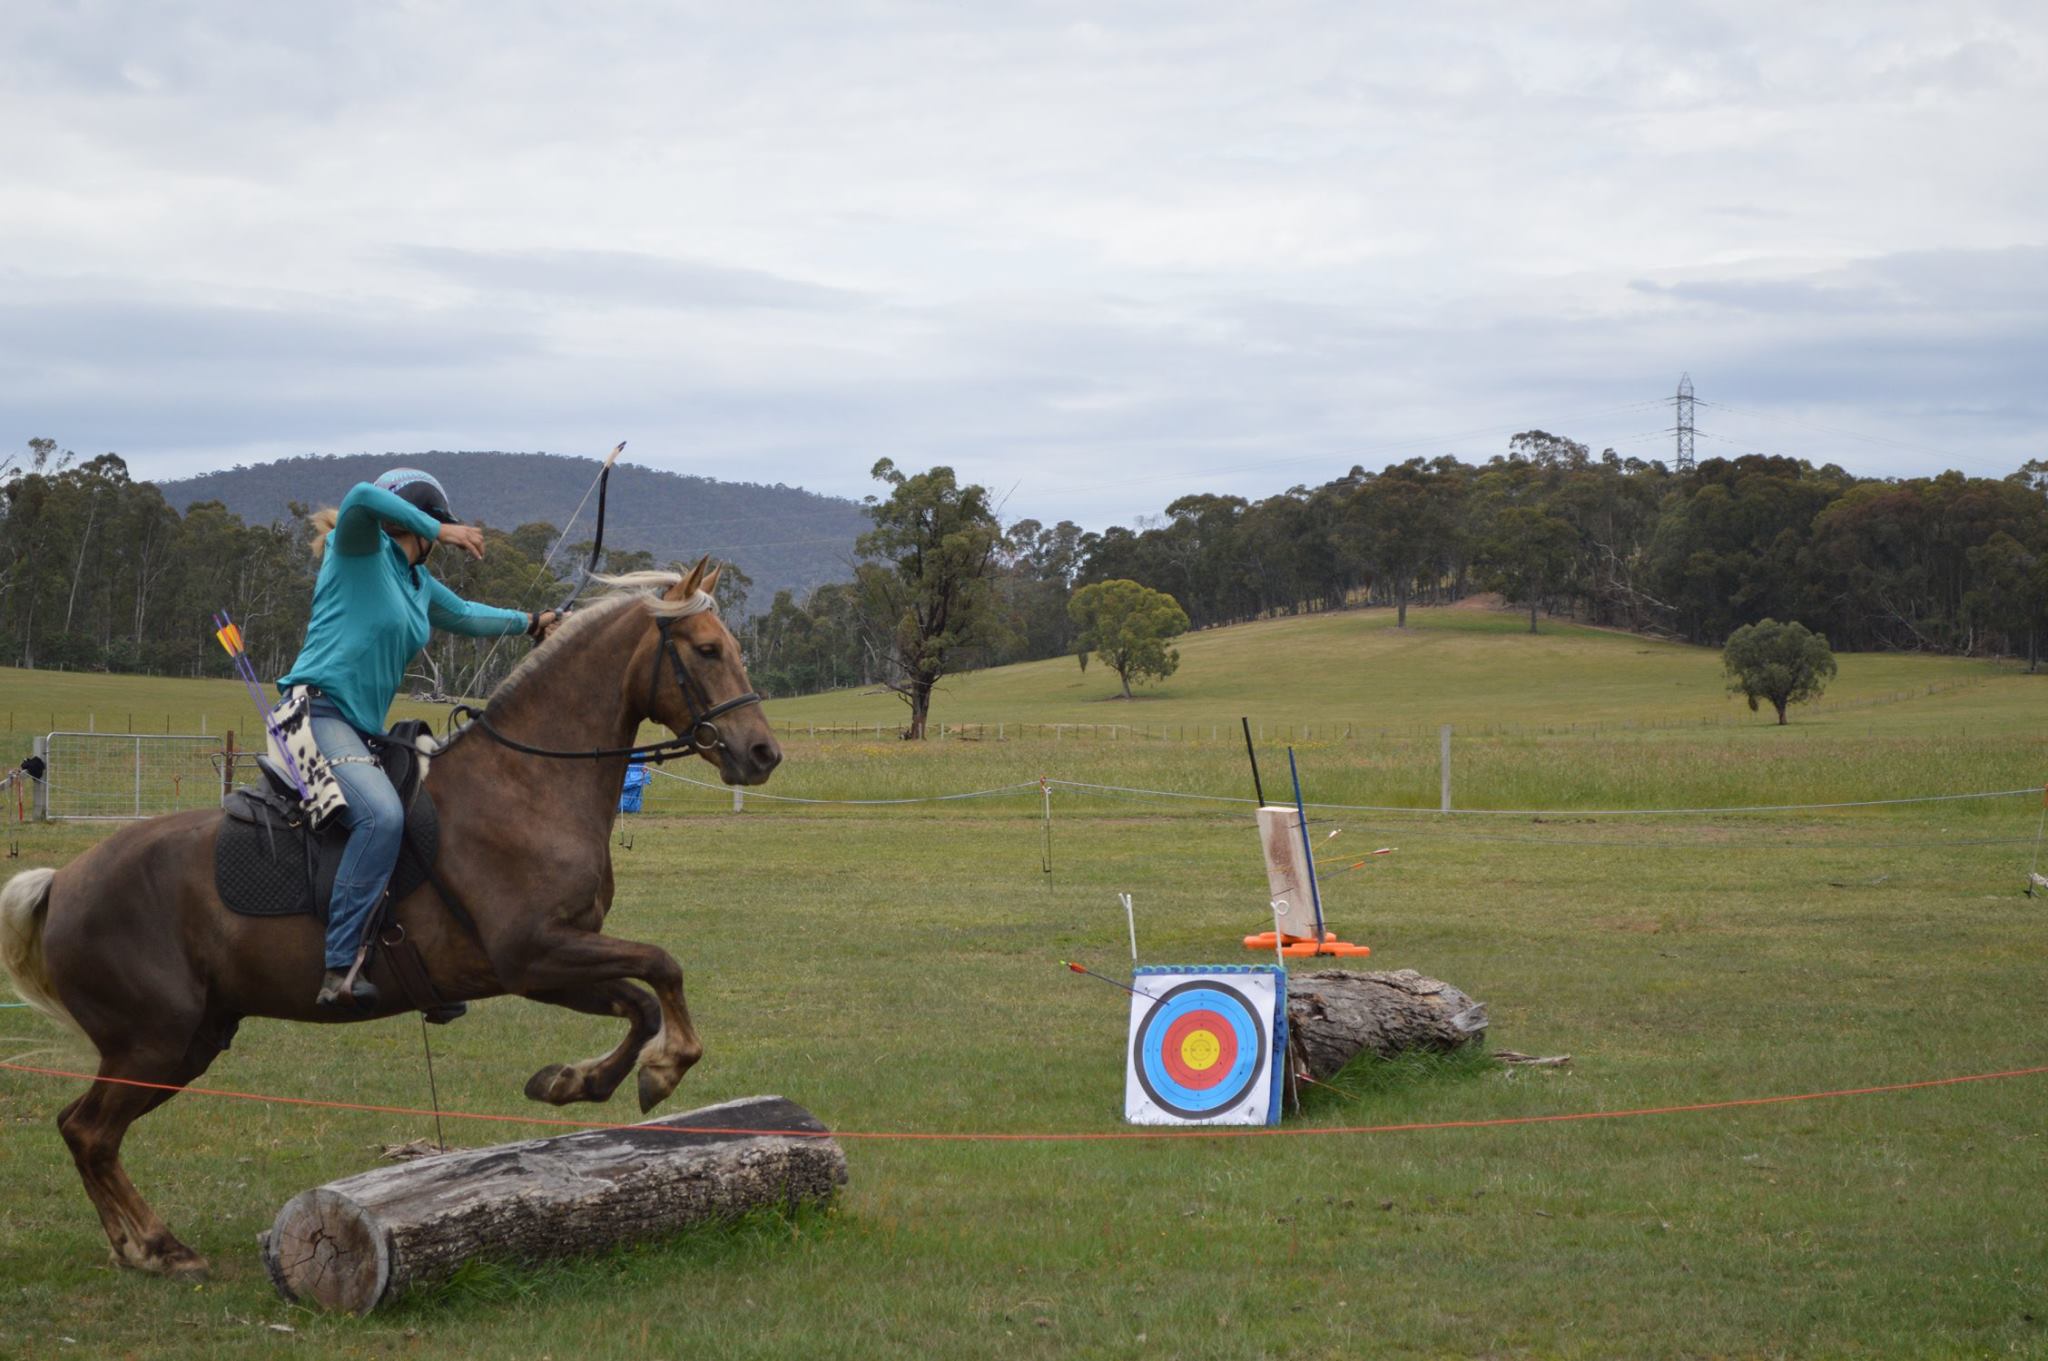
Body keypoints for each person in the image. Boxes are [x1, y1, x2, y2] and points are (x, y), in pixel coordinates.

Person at [279, 469, 560, 1009]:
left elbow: (467, 615)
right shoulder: (358, 547)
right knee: (381, 816)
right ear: (421, 528)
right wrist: (445, 526)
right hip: (313, 713)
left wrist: (533, 621)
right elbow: (361, 497)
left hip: (361, 729)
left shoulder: (415, 582)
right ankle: (338, 967)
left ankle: (417, 967)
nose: (440, 539)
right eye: (434, 529)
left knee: (429, 816)